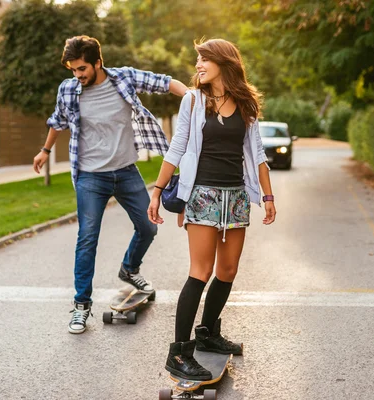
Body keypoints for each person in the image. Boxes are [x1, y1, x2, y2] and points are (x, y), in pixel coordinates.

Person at [33, 35, 188, 334]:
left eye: (82, 69)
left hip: (126, 171)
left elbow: (163, 82)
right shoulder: (68, 89)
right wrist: (45, 150)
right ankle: (81, 306)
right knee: (88, 237)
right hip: (91, 175)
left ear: (98, 63)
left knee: (148, 227)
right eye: (73, 70)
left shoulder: (124, 78)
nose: (77, 75)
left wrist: (191, 96)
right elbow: (58, 120)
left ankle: (129, 268)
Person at [147, 39, 276, 380]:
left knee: (228, 270)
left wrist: (268, 197)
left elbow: (258, 154)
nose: (198, 65)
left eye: (204, 59)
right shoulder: (192, 101)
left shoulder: (245, 103)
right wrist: (157, 190)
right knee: (200, 272)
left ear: (224, 62)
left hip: (234, 197)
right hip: (202, 196)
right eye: (197, 60)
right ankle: (178, 353)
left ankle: (208, 332)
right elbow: (176, 147)